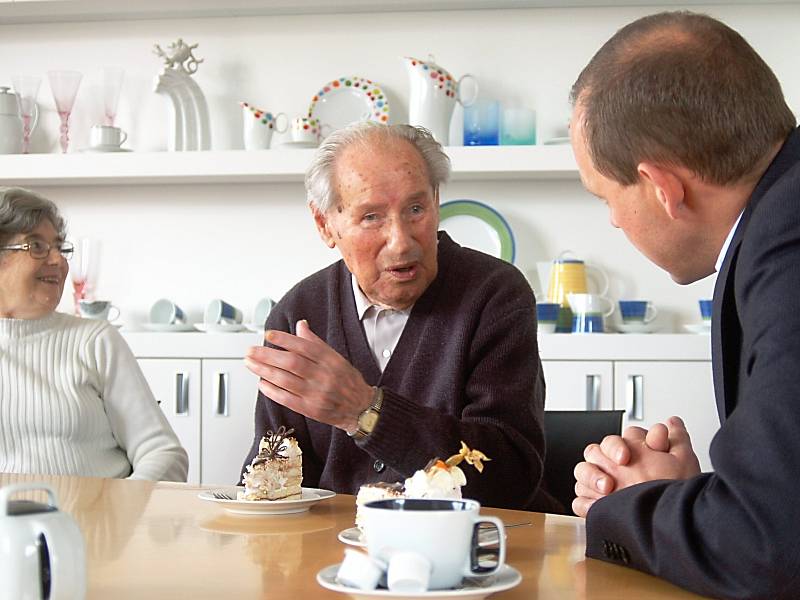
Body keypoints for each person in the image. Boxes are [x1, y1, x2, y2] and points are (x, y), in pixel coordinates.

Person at [568, 11, 799, 599]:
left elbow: (768, 547)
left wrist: (634, 504)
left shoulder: (788, 242)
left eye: (606, 198)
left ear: (662, 187)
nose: (615, 220)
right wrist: (700, 498)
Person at [241, 122, 557, 511]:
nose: (402, 241)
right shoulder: (299, 313)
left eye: (416, 209)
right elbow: (275, 478)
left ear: (437, 200)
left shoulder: (495, 295)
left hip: (471, 549)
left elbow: (509, 478)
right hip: (333, 557)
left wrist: (366, 412)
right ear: (326, 223)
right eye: (371, 217)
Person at [0, 186, 188, 482]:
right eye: (36, 246)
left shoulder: (94, 341)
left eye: (59, 248)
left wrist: (118, 514)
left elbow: (163, 453)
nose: (58, 261)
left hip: (93, 524)